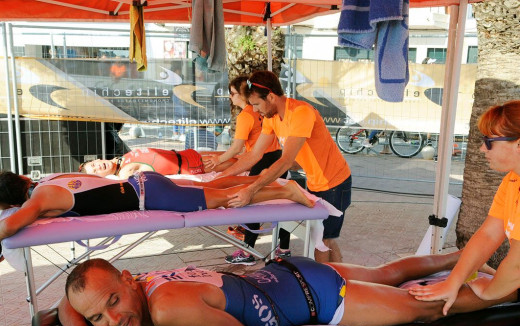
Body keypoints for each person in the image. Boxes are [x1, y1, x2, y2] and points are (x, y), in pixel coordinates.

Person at [58, 251, 516, 326]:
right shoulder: (139, 279)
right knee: (386, 274)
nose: (114, 321)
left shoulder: (166, 311)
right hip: (286, 271)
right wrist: (74, 316)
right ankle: (466, 252)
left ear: (124, 280)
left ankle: (510, 283)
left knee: (424, 307)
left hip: (318, 299)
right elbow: (78, 294)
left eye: (113, 303)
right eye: (98, 316)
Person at [218, 71, 352, 263]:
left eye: (256, 104)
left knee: (322, 239)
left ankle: (327, 288)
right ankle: (340, 282)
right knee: (326, 237)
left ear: (271, 97)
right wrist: (222, 177)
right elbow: (254, 155)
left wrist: (252, 189)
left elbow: (286, 160)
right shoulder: (272, 118)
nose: (254, 111)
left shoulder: (301, 112)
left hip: (335, 182)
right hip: (316, 182)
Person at [409, 100, 520, 315]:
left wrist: (489, 290)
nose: (481, 148)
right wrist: (453, 282)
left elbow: (517, 265)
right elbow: (488, 235)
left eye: (489, 141)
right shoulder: (512, 181)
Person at [0, 171, 314, 242]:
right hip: (144, 181)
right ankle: (279, 185)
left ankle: (285, 190)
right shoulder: (47, 180)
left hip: (152, 197)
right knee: (212, 187)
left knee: (227, 198)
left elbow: (12, 225)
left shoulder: (39, 199)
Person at [204, 75, 291, 265]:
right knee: (281, 204)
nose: (231, 97)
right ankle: (284, 247)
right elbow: (250, 153)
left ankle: (247, 251)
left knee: (252, 204)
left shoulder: (248, 115)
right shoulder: (266, 114)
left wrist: (222, 168)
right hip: (275, 158)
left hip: (266, 162)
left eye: (233, 93)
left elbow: (240, 150)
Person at [79, 148, 236, 179]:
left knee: (239, 154)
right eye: (95, 171)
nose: (98, 166)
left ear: (97, 159)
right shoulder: (123, 173)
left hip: (186, 153)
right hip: (190, 165)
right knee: (240, 162)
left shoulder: (121, 158)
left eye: (94, 164)